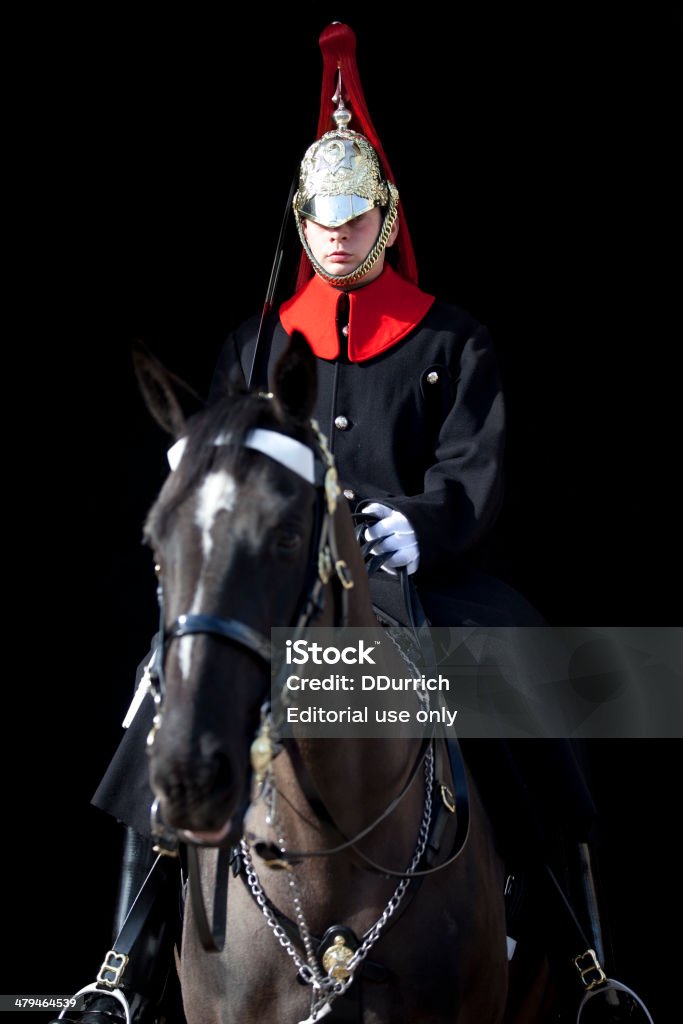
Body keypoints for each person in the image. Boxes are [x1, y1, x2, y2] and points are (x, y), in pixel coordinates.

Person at [61, 21, 614, 1024]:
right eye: (322, 219)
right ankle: (124, 955)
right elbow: (225, 466)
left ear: (385, 217)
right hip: (285, 587)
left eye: (355, 219)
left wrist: (418, 525)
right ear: (302, 219)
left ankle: (580, 955)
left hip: (421, 574)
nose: (337, 235)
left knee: (526, 666)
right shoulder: (257, 345)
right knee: (166, 688)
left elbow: (470, 469)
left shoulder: (451, 339)